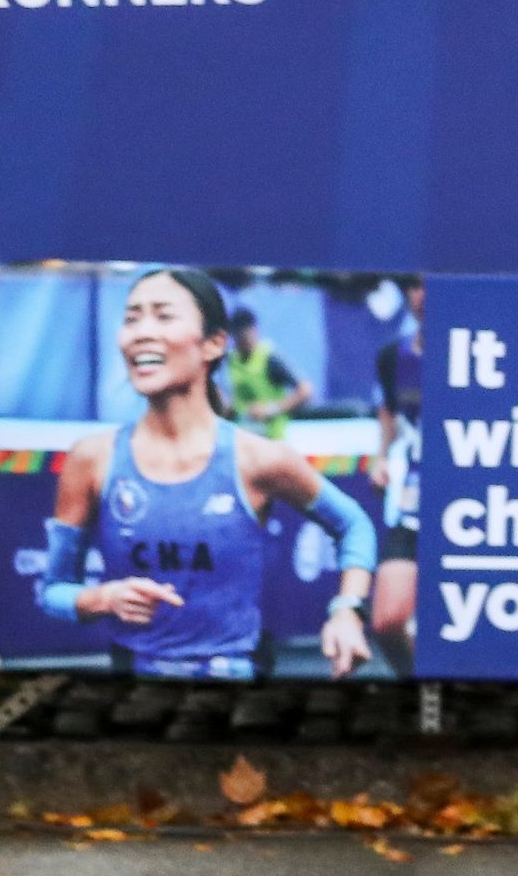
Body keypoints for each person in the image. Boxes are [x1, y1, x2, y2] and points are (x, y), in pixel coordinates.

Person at [37, 268, 375, 681]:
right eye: (131, 318)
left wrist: (347, 611)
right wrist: (101, 598)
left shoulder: (259, 459)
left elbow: (354, 524)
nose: (142, 331)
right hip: (133, 692)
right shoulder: (92, 459)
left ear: (214, 344)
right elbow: (53, 591)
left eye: (163, 316)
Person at [367, 276, 424, 673]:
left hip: (482, 508)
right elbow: (389, 411)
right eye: (416, 285)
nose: (423, 294)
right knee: (388, 621)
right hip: (413, 502)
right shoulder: (393, 356)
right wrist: (380, 456)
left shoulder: (494, 346)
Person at [224, 307, 313, 438]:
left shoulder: (269, 358)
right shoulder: (232, 360)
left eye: (246, 335)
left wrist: (270, 409)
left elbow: (306, 390)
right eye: (238, 337)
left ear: (255, 330)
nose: (243, 341)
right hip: (245, 437)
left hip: (272, 437)